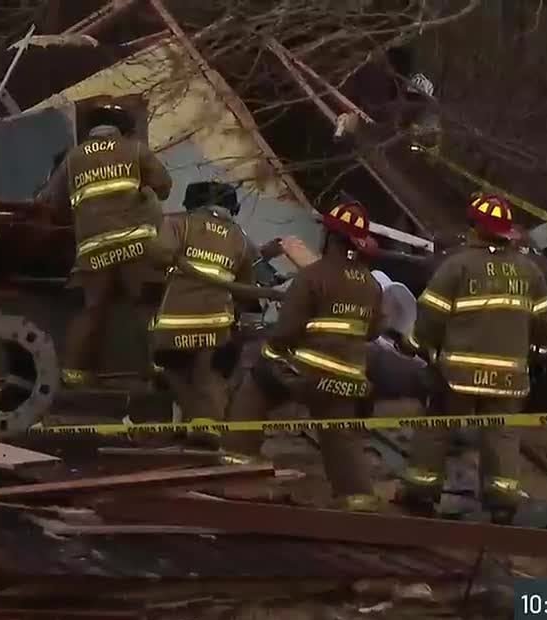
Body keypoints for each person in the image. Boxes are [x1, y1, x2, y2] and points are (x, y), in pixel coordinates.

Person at [398, 194, 547, 523]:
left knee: (437, 426)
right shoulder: (529, 272)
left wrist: (416, 345)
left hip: (458, 373)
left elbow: (431, 315)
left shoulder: (457, 266)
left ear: (474, 228)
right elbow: (546, 323)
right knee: (501, 434)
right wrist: (538, 355)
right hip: (510, 377)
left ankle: (421, 493)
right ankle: (502, 501)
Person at [222, 201, 384, 512]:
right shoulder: (372, 284)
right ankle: (357, 498)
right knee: (340, 436)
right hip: (348, 380)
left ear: (330, 237)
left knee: (256, 386)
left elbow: (286, 332)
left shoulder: (313, 276)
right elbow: (374, 330)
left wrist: (271, 353)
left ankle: (236, 464)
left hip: (307, 373)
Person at [42, 100, 173, 388]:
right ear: (122, 129)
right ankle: (159, 368)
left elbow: (54, 203)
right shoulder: (135, 149)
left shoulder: (73, 158)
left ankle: (75, 374)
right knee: (146, 307)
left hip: (93, 250)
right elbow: (164, 187)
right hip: (136, 244)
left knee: (91, 309)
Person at [148, 181, 259, 434]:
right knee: (209, 374)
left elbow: (157, 255)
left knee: (171, 368)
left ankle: (190, 419)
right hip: (215, 324)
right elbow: (246, 290)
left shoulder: (178, 223)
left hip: (173, 323)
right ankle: (205, 426)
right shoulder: (241, 239)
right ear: (232, 208)